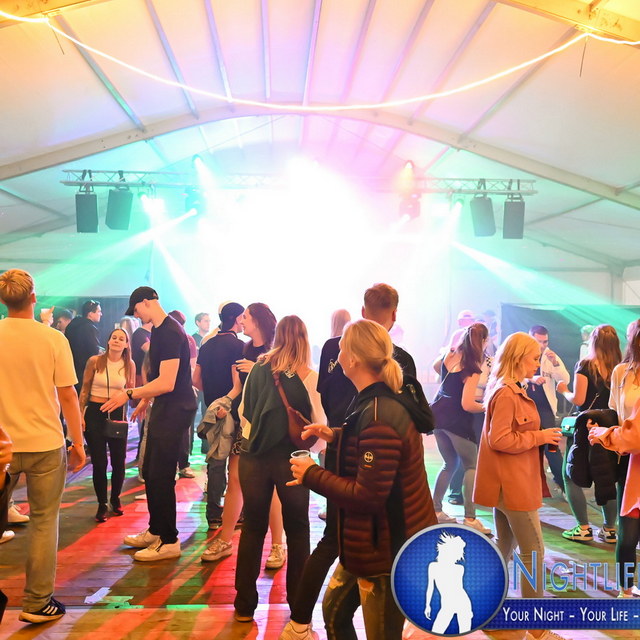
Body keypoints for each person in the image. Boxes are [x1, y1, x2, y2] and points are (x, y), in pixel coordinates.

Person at [282, 283, 420, 640]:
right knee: (334, 612)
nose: (335, 350)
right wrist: (336, 436)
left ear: (354, 359)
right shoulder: (370, 403)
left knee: (377, 629)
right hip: (368, 539)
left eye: (342, 346)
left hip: (385, 546)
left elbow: (368, 495)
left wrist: (312, 473)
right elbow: (370, 442)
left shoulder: (378, 412)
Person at [0, 269, 86, 623]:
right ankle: (37, 603)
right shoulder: (52, 339)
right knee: (43, 522)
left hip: (2, 447)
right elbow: (68, 395)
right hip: (46, 444)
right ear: (33, 298)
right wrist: (78, 442)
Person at [234, 315, 325, 623]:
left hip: (254, 458)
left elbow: (244, 413)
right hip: (292, 460)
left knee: (253, 528)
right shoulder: (309, 376)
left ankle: (244, 605)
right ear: (304, 340)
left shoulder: (258, 368)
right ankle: (298, 605)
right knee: (298, 530)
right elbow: (319, 424)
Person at [473, 332, 563, 640]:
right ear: (517, 358)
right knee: (532, 552)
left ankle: (486, 610)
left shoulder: (506, 389)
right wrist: (540, 437)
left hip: (508, 484)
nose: (537, 364)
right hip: (513, 485)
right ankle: (536, 629)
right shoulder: (508, 393)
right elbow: (500, 439)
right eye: (534, 358)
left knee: (505, 547)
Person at [102, 286, 197, 562]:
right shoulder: (161, 329)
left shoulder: (169, 331)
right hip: (166, 408)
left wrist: (130, 393)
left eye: (136, 309)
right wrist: (146, 399)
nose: (136, 315)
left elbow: (167, 382)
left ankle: (169, 540)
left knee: (161, 475)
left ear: (147, 302)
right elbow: (161, 378)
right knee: (152, 472)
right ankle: (156, 530)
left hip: (175, 410)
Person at [198, 302, 285, 566]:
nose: (241, 321)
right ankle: (225, 540)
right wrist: (224, 404)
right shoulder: (244, 350)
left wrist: (258, 368)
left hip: (269, 427)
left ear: (257, 320)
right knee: (234, 479)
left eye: (245, 317)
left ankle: (278, 546)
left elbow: (282, 389)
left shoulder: (276, 351)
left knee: (272, 486)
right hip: (245, 425)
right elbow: (238, 389)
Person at [556, 324, 622, 543]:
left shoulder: (585, 365)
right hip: (609, 428)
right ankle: (610, 529)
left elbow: (579, 399)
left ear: (593, 342)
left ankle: (583, 528)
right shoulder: (621, 368)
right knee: (607, 477)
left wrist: (564, 390)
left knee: (571, 475)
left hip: (585, 427)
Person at [591, 318, 640, 597]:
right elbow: (614, 412)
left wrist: (607, 435)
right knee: (628, 532)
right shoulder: (621, 371)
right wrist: (604, 433)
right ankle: (625, 588)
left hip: (629, 448)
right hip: (625, 459)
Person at [431, 323, 490, 533]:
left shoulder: (450, 356)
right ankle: (470, 518)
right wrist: (487, 406)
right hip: (457, 420)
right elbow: (467, 404)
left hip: (439, 416)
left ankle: (436, 510)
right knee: (471, 466)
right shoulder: (472, 367)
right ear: (484, 341)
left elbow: (436, 366)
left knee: (449, 464)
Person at [192, 302, 245, 529]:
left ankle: (213, 514)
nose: (244, 321)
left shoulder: (207, 344)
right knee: (236, 462)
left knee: (215, 462)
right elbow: (241, 383)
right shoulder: (240, 347)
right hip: (235, 410)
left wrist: (213, 396)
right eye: (243, 317)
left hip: (212, 410)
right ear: (236, 318)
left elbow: (195, 380)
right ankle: (238, 512)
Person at [79, 328, 136, 522]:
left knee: (119, 461)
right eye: (114, 338)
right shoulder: (95, 361)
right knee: (99, 462)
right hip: (95, 412)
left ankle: (116, 498)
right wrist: (80, 414)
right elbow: (84, 389)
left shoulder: (129, 364)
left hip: (117, 413)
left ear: (126, 344)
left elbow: (131, 391)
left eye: (121, 339)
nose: (117, 341)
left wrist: (134, 406)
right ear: (109, 341)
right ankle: (102, 504)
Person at [527, 325, 570, 494]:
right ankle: (529, 487)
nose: (542, 345)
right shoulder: (521, 353)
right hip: (524, 407)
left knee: (552, 447)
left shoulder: (550, 355)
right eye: (538, 341)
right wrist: (531, 379)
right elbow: (511, 376)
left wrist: (555, 363)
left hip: (545, 409)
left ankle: (564, 485)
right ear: (530, 338)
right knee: (526, 448)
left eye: (545, 342)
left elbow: (565, 379)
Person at [169, 309, 198, 478]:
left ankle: (183, 464)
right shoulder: (164, 338)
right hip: (168, 390)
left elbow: (192, 366)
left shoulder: (189, 340)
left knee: (184, 430)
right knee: (172, 430)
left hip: (183, 389)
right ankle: (174, 465)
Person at [65, 299, 103, 393]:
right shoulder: (90, 328)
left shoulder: (71, 326)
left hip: (71, 369)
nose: (101, 314)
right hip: (84, 371)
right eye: (99, 311)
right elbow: (93, 351)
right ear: (90, 314)